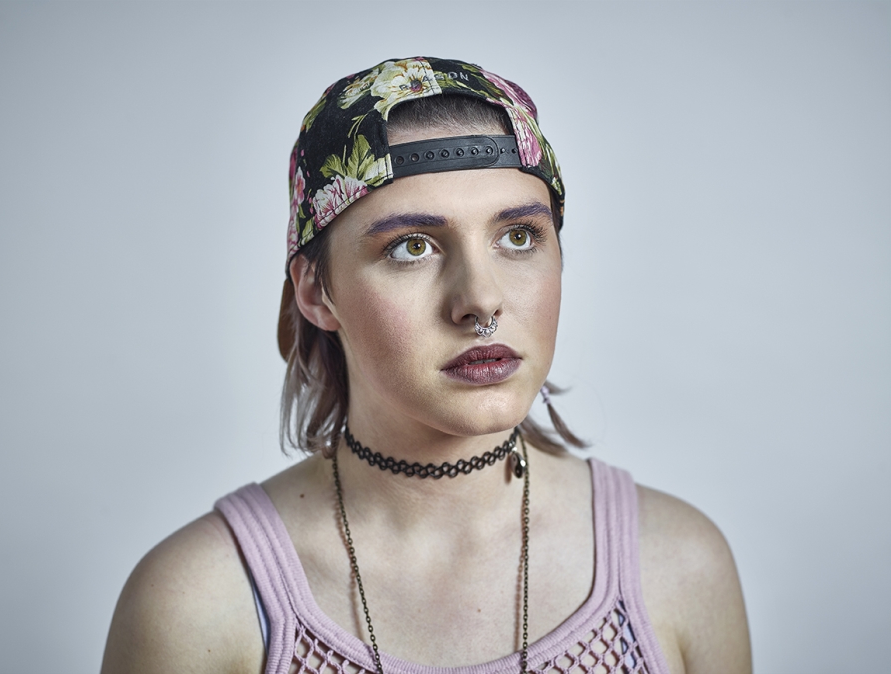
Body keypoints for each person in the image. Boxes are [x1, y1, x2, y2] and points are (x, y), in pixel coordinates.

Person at [101, 57, 751, 674]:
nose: (480, 301)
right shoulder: (200, 601)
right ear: (315, 292)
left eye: (518, 236)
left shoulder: (678, 566)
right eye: (412, 247)